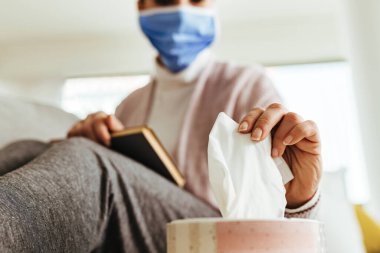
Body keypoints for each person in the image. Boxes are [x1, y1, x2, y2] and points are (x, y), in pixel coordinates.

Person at [0, 0, 322, 252]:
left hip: (208, 231)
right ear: (142, 6)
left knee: (86, 161)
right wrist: (93, 141)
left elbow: (277, 207)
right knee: (27, 148)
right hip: (136, 229)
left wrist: (299, 199)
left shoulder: (246, 84)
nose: (182, 10)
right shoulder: (131, 104)